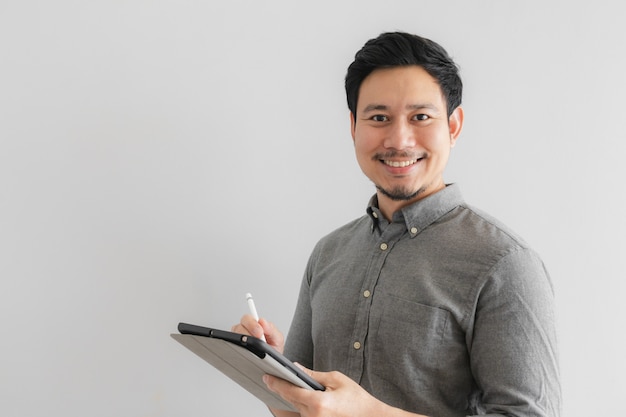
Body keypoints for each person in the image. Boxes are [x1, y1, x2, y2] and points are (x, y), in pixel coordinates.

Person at [233, 31, 561, 417]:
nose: (399, 139)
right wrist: (271, 369)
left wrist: (368, 413)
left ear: (453, 126)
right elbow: (297, 413)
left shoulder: (505, 263)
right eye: (379, 117)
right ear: (354, 126)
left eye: (420, 117)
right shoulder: (328, 253)